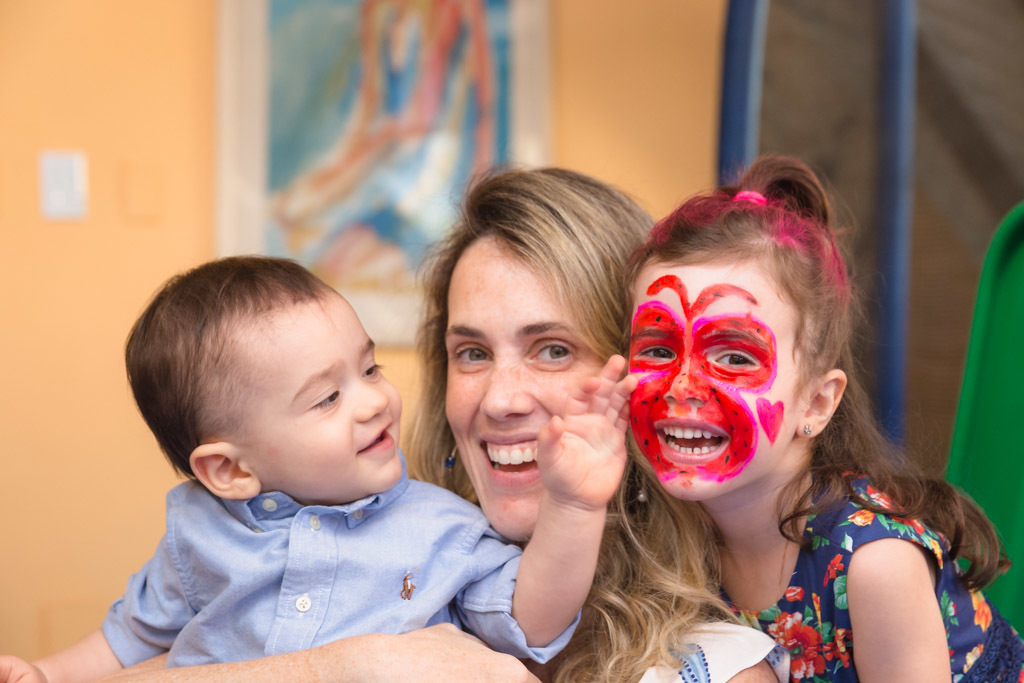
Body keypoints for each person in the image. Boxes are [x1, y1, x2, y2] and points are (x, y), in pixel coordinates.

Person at [57, 168, 785, 682]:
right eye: (471, 351)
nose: (498, 398)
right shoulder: (288, 544)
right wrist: (351, 667)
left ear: (646, 372)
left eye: (553, 348)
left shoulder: (707, 666)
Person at [0, 255, 636, 681]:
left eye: (369, 369)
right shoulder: (198, 531)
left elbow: (532, 618)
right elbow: (129, 636)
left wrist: (574, 508)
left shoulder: (444, 527)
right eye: (328, 398)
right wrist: (47, 675)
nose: (375, 401)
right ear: (228, 469)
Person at [624, 154, 1024, 682]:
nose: (683, 388)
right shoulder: (670, 529)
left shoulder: (875, 564)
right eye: (656, 349)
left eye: (736, 357)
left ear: (816, 403)